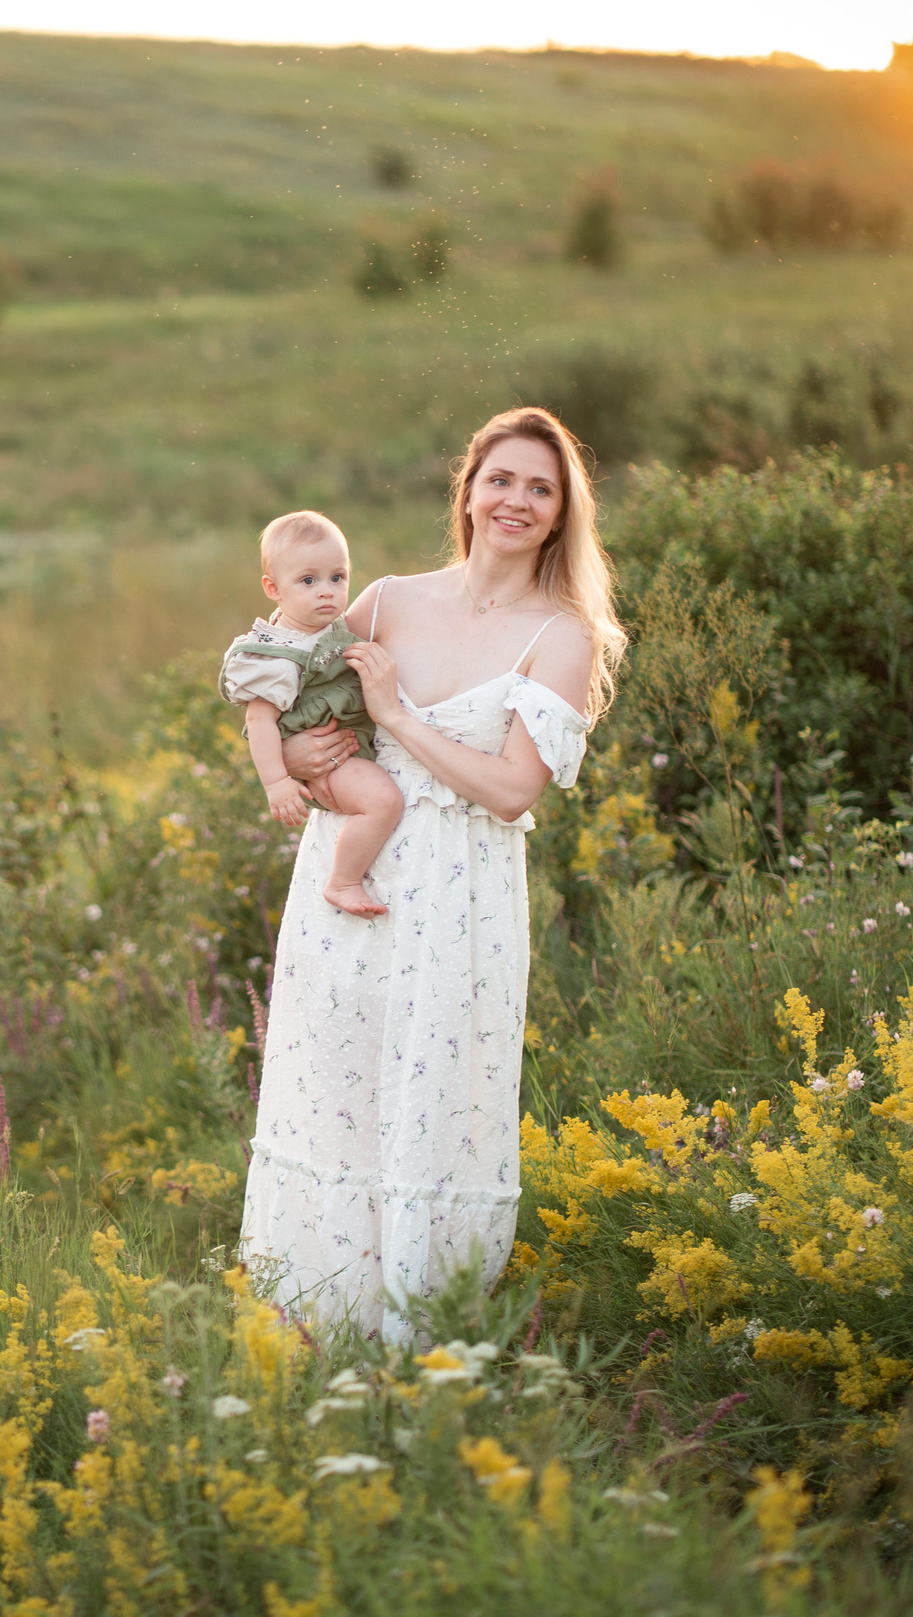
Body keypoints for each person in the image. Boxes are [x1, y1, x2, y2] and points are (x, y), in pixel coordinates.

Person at [237, 407, 626, 1343]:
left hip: (462, 895)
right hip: (352, 878)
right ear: (469, 490)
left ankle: (420, 1333)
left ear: (563, 511)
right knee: (336, 1080)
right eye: (502, 479)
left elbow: (509, 790)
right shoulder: (385, 598)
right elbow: (283, 696)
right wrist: (308, 768)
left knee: (434, 1092)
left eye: (542, 487)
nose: (518, 500)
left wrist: (398, 719)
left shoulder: (563, 636)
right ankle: (315, 1323)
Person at [219, 510, 405, 918]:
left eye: (337, 577)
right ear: (273, 588)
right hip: (331, 758)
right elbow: (259, 721)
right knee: (383, 801)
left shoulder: (332, 627)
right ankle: (343, 881)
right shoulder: (276, 655)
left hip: (347, 741)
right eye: (308, 581)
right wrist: (277, 783)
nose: (327, 592)